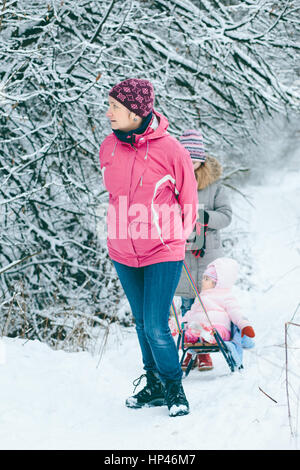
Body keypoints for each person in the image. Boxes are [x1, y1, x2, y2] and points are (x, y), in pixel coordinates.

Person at [99, 78, 198, 417]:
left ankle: (174, 388)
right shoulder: (108, 147)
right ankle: (154, 384)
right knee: (142, 322)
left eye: (115, 106)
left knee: (156, 325)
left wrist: (177, 239)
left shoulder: (172, 150)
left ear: (135, 111)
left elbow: (189, 200)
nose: (108, 112)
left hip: (162, 249)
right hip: (123, 251)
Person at [175, 129, 232, 369]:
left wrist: (202, 217)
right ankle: (190, 349)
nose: (191, 162)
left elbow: (226, 216)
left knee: (207, 305)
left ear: (202, 159)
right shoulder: (174, 183)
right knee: (188, 307)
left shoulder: (215, 186)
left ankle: (206, 350)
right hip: (184, 253)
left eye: (194, 158)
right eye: (186, 158)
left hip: (208, 254)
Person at [182, 257, 255, 371]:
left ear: (217, 282)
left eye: (206, 279)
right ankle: (195, 335)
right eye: (203, 278)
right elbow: (191, 312)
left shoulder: (225, 296)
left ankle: (210, 335)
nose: (202, 281)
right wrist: (181, 323)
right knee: (189, 330)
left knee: (216, 330)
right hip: (201, 328)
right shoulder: (200, 297)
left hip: (219, 329)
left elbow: (235, 312)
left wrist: (244, 325)